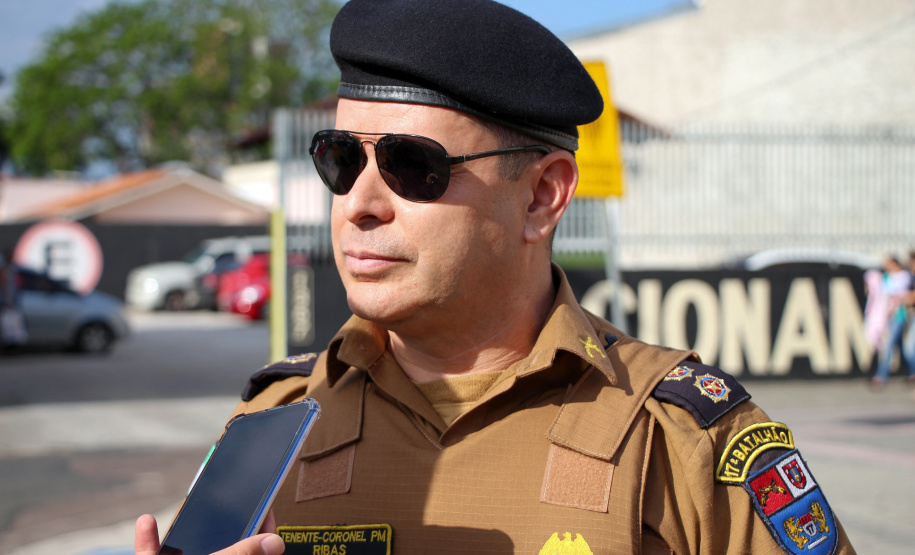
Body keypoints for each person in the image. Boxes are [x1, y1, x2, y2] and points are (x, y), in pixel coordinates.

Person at [136, 1, 857, 553]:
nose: (359, 204)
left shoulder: (679, 438)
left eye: (411, 166)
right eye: (340, 159)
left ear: (542, 196)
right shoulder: (274, 424)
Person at [871, 255, 914, 389]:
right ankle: (912, 373)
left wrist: (903, 298)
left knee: (891, 346)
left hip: (900, 316)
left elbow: (908, 296)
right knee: (903, 347)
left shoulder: (906, 276)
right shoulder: (886, 277)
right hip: (889, 317)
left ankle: (880, 376)